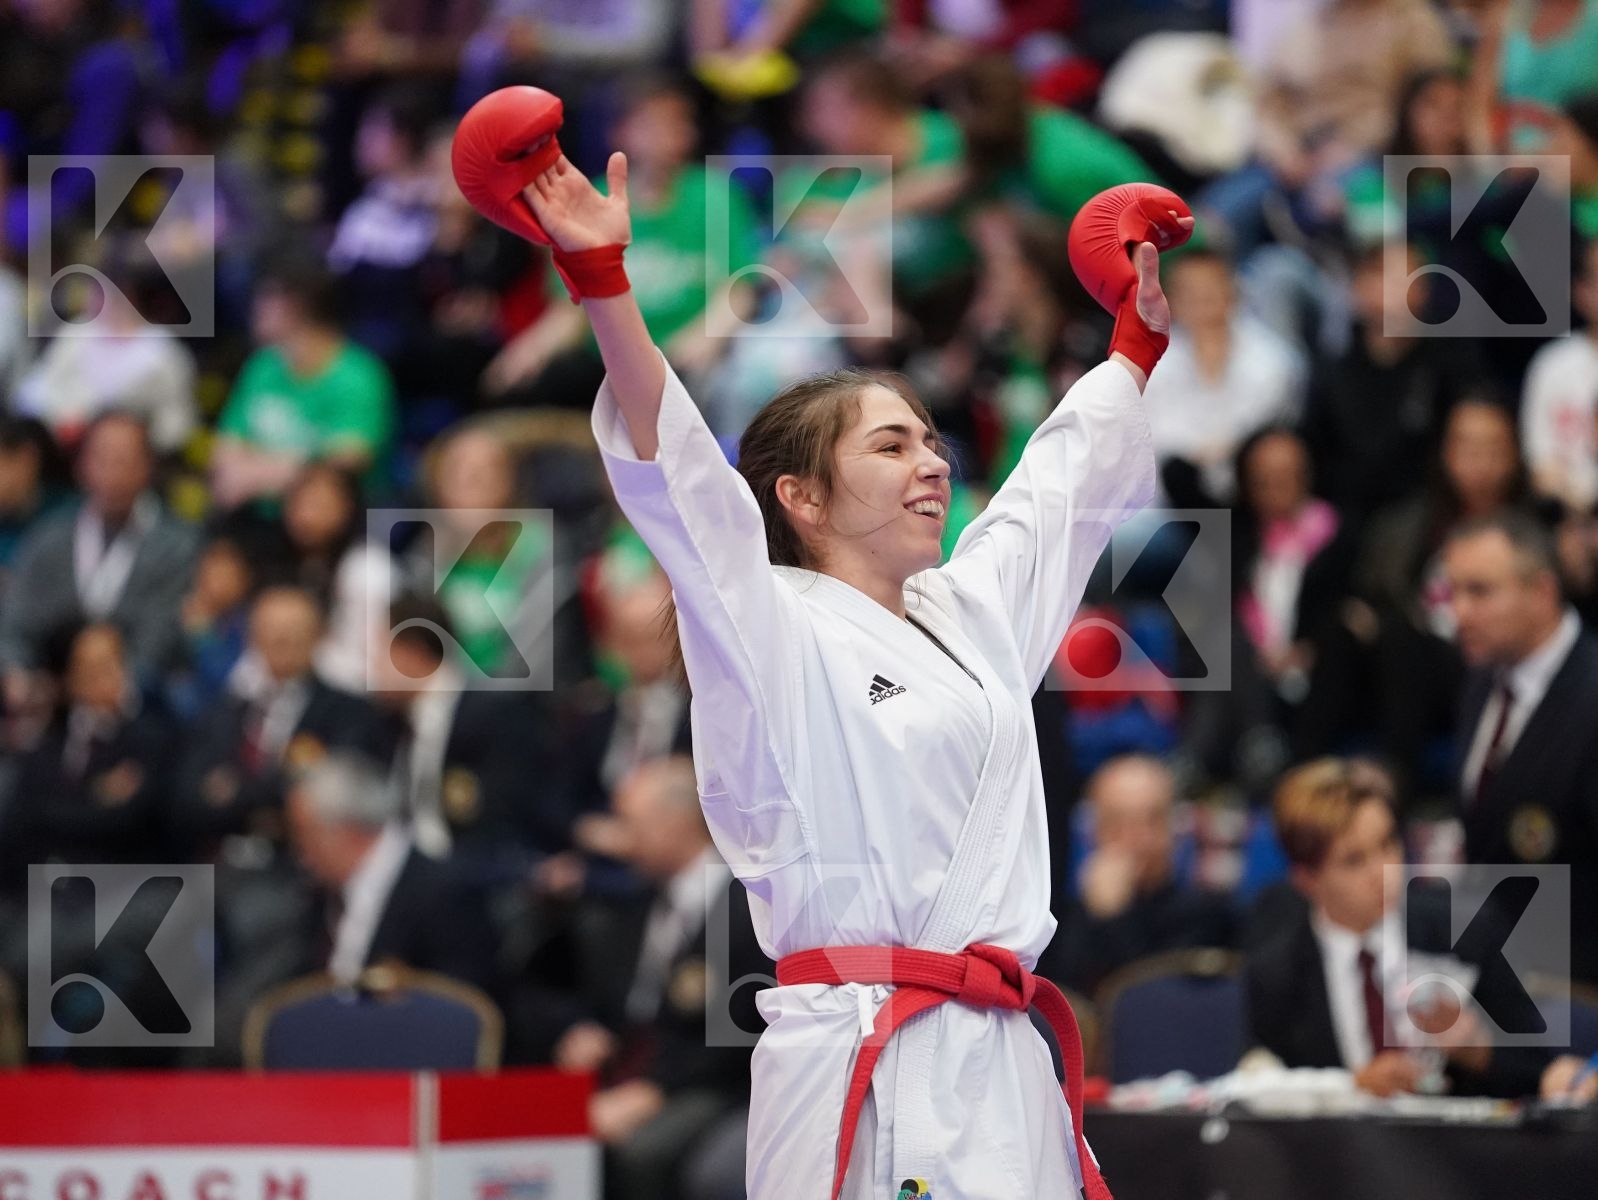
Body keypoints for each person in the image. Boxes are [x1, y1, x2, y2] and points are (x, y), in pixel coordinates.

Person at [462, 92, 1189, 1197]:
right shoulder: (766, 625)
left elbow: (1053, 494)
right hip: (864, 1054)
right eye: (891, 446)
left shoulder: (966, 614)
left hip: (1000, 1061)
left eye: (932, 442)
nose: (931, 466)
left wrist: (1129, 347)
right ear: (798, 496)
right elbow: (684, 487)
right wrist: (605, 288)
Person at [1247, 757, 1547, 1098]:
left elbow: (1541, 1071)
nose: (1384, 871)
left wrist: (1479, 1053)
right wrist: (1353, 1087)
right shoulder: (1275, 975)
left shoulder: (1465, 933)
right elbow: (1257, 1087)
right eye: (1354, 860)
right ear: (1307, 880)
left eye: (1388, 843)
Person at [554, 755, 771, 1200]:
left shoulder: (743, 903)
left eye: (631, 824)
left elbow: (739, 1033)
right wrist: (584, 1031)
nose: (620, 841)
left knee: (643, 1151)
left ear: (676, 823)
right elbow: (619, 1001)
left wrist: (655, 1091)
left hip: (717, 1083)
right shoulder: (638, 904)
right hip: (635, 1070)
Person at [1444, 510, 1598, 985]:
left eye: (1480, 592)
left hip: (1579, 993)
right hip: (1500, 983)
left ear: (1542, 592)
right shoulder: (1481, 681)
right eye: (1454, 593)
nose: (1460, 613)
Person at [1037, 754, 1235, 994]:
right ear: (1094, 831)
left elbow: (1153, 1003)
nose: (1136, 838)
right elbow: (1060, 994)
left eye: (1152, 821)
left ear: (1174, 828)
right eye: (1117, 823)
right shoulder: (1060, 917)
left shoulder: (1206, 915)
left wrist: (1114, 917)